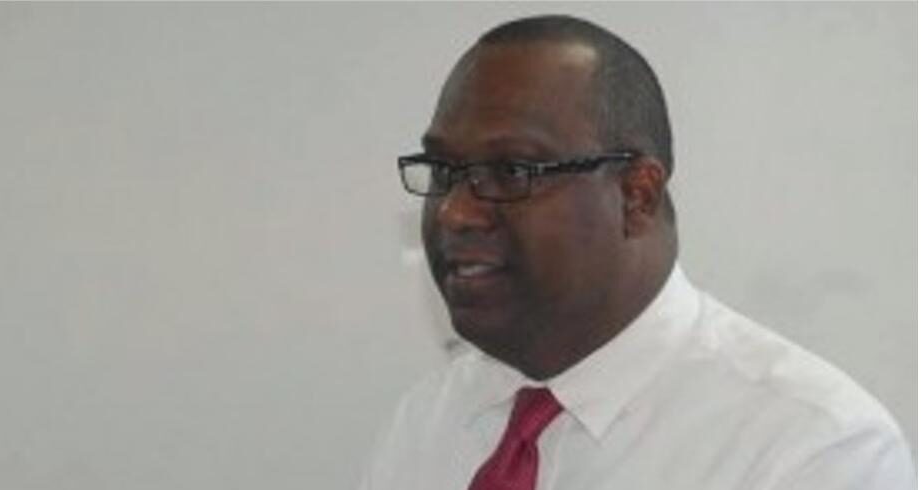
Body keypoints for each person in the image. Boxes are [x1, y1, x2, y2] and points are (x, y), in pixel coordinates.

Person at [360, 14, 915, 490]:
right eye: (442, 171)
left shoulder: (810, 449)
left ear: (636, 195)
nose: (455, 213)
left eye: (511, 171)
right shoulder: (430, 420)